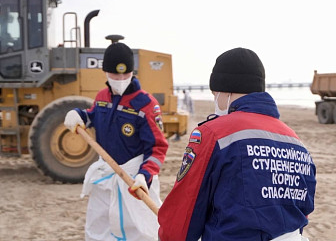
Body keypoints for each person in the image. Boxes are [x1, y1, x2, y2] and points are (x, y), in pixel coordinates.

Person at [158, 48, 317, 241]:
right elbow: (304, 208)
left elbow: (186, 207)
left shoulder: (212, 133)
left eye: (214, 93)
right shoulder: (295, 141)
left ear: (225, 91)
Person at [64, 41, 168, 241]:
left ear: (132, 72)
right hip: (106, 174)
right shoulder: (102, 97)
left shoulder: (146, 104)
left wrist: (143, 176)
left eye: (125, 74)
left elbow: (157, 148)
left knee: (141, 231)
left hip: (135, 180)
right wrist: (79, 115)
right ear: (105, 73)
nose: (120, 79)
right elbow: (93, 116)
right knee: (98, 229)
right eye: (115, 75)